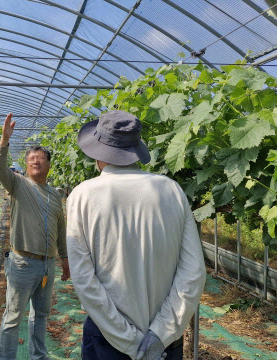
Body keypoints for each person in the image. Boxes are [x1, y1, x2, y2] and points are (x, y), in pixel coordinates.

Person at [65, 110, 206, 360]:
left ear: (98, 154)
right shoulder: (171, 190)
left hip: (108, 340)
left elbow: (84, 279)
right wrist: (159, 335)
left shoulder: (83, 195)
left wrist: (130, 341)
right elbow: (193, 272)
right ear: (136, 150)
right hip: (164, 344)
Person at [0, 113, 70, 360]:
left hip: (48, 265)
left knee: (41, 314)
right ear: (26, 165)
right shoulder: (17, 184)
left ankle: (39, 355)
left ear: (49, 164)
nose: (36, 162)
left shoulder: (55, 194)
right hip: (22, 263)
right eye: (32, 159)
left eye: (41, 159)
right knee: (13, 316)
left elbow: (60, 229)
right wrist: (4, 140)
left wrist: (64, 259)